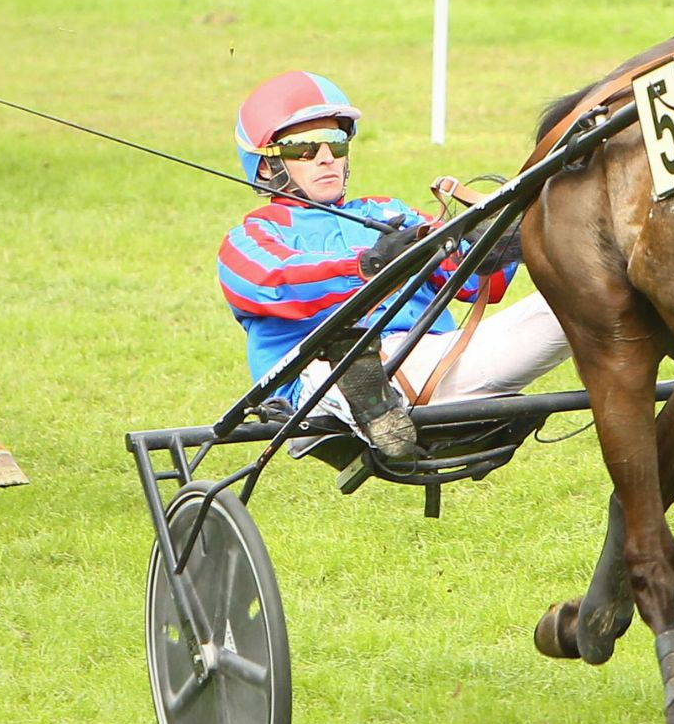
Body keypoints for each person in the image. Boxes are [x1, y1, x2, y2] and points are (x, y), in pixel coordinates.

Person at [216, 71, 571, 458]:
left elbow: (468, 283)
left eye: (335, 144)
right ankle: (366, 391)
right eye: (302, 148)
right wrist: (370, 265)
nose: (324, 158)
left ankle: (378, 401)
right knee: (340, 367)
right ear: (266, 166)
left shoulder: (387, 211)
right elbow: (275, 283)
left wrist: (498, 242)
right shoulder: (250, 237)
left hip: (437, 365)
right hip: (315, 386)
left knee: (581, 300)